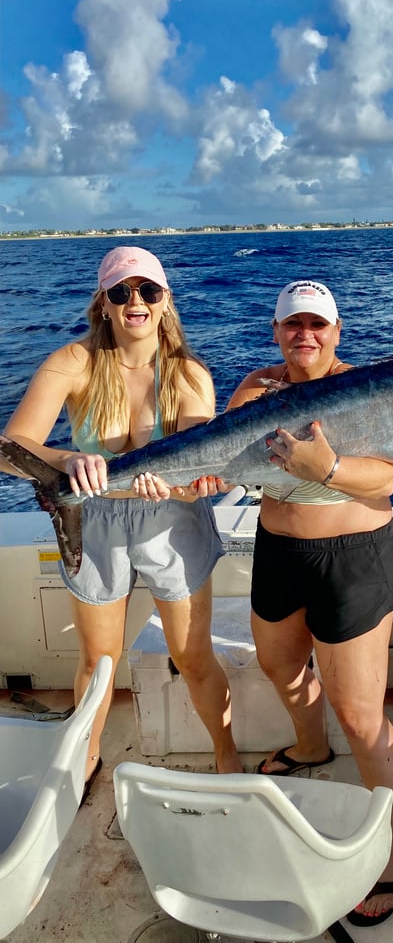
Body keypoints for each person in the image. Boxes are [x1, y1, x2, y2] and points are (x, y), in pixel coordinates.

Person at [1, 245, 243, 792]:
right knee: (97, 660)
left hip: (172, 518)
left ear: (165, 302)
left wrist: (188, 485)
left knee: (193, 656)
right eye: (121, 292)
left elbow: (198, 463)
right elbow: (11, 446)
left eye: (148, 291)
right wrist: (67, 459)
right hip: (96, 517)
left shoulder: (187, 373)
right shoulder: (74, 362)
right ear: (104, 304)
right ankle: (84, 763)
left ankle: (226, 757)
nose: (136, 301)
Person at [221, 279, 393, 926]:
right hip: (279, 554)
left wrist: (327, 470)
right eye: (292, 325)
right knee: (279, 665)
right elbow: (228, 456)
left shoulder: (362, 388)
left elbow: (388, 473)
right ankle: (310, 748)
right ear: (276, 331)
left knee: (362, 716)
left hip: (354, 559)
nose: (305, 335)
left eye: (318, 325)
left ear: (338, 332)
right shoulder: (256, 387)